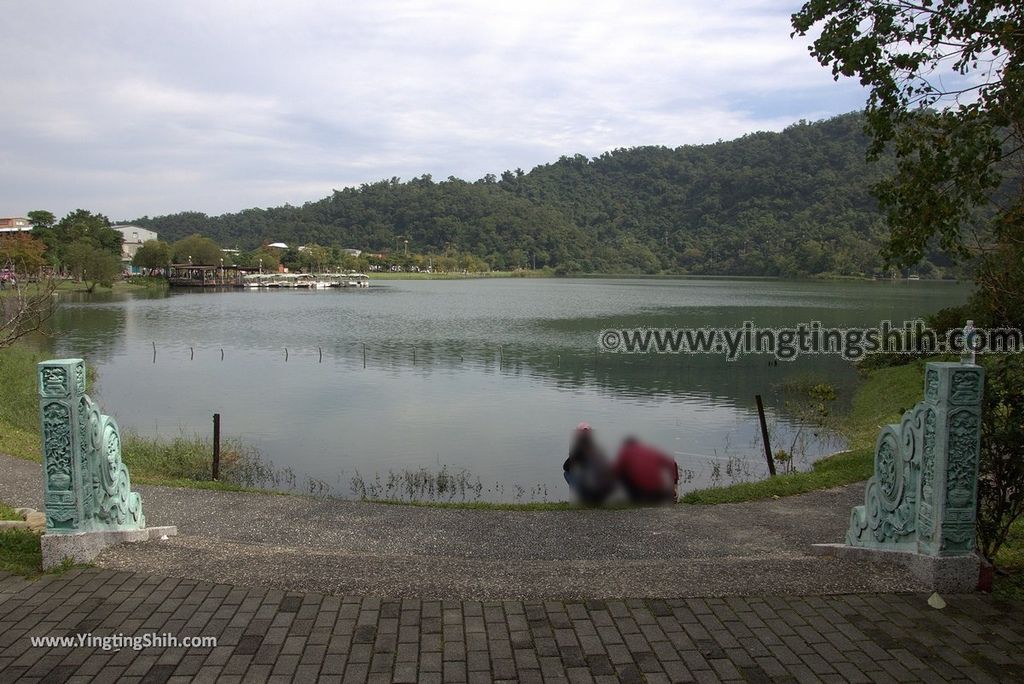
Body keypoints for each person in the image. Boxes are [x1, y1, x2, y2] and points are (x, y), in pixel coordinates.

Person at [614, 436, 679, 504]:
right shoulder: (650, 451)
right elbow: (671, 463)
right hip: (657, 491)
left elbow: (616, 470)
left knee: (623, 472)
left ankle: (633, 498)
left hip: (641, 492)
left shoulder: (626, 451)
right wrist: (674, 485)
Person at [562, 423, 615, 505]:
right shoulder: (599, 450)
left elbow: (565, 467)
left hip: (591, 493)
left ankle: (584, 497)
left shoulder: (579, 451)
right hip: (602, 493)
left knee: (567, 474)